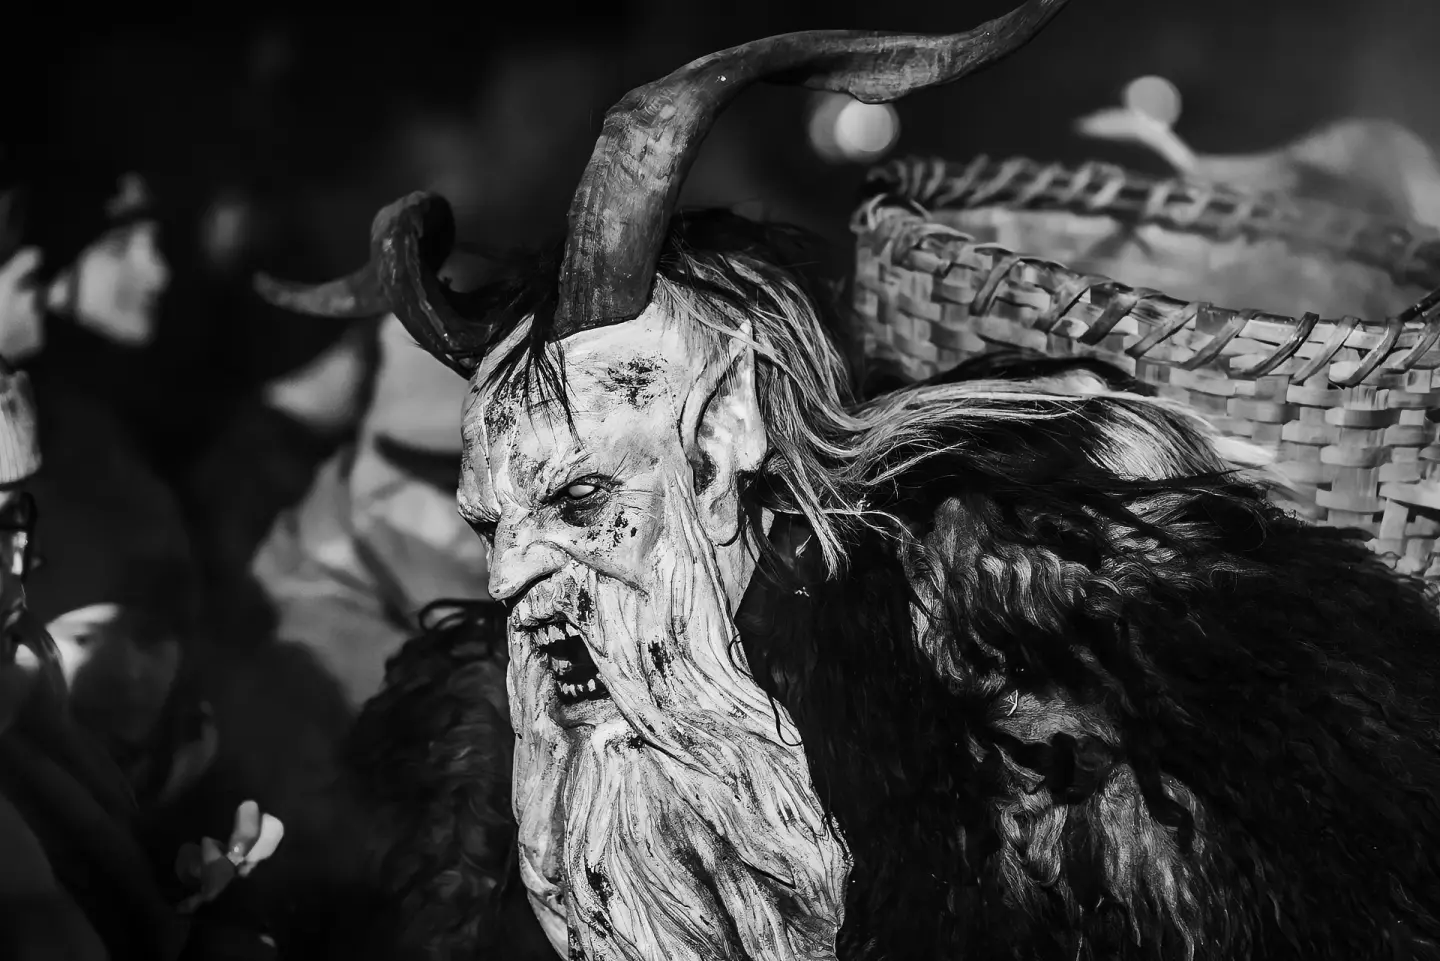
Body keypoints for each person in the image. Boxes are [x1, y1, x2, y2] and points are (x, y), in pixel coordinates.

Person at [264, 1, 1440, 958]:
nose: (510, 573)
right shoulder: (507, 732)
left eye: (578, 502)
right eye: (495, 520)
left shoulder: (1000, 647)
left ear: (722, 434)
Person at [0, 352, 283, 960]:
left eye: (150, 637)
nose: (127, 671)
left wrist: (211, 901)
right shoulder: (24, 761)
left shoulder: (221, 772)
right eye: (86, 637)